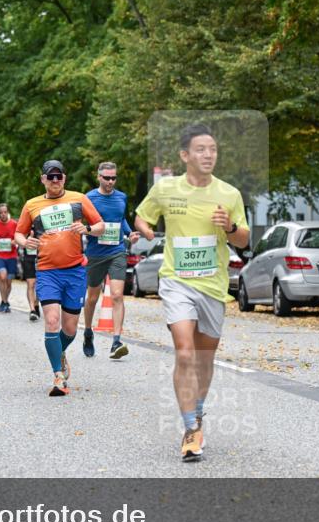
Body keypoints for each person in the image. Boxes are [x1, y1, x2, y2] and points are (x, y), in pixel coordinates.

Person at [134, 124, 250, 462]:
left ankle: (197, 411)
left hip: (213, 285)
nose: (208, 154)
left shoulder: (229, 194)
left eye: (212, 148)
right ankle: (190, 427)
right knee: (185, 353)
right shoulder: (166, 189)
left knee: (204, 358)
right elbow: (142, 217)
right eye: (201, 149)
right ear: (185, 155)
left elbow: (243, 239)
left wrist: (228, 226)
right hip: (176, 281)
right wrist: (146, 230)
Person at [14, 160, 104, 396]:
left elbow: (100, 225)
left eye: (59, 176)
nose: (55, 180)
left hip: (74, 271)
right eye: (50, 177)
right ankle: (58, 377)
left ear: (65, 178)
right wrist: (26, 242)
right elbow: (19, 233)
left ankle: (59, 351)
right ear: (42, 179)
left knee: (70, 329)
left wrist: (87, 230)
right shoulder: (32, 205)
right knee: (51, 321)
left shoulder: (79, 199)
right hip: (47, 271)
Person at [82, 162, 140, 359]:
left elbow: (121, 219)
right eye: (107, 178)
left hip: (117, 251)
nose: (110, 181)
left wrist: (130, 233)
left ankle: (116, 341)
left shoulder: (121, 197)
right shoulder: (89, 198)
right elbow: (83, 223)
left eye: (113, 178)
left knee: (117, 295)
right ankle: (88, 332)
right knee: (92, 297)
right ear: (99, 177)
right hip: (95, 253)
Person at [19, 229, 40, 321]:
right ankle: (32, 310)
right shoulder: (25, 225)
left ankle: (36, 303)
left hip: (42, 258)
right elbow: (18, 240)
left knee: (39, 285)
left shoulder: (43, 221)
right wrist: (27, 238)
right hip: (28, 259)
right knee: (31, 284)